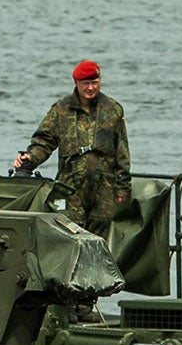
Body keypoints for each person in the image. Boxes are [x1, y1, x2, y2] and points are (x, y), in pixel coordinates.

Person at [15, 59, 130, 239]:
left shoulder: (113, 109)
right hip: (71, 186)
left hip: (104, 188)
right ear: (76, 83)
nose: (91, 88)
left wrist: (123, 187)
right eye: (86, 83)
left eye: (95, 82)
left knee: (99, 239)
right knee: (69, 235)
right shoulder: (61, 109)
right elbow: (44, 141)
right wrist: (30, 158)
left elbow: (121, 151)